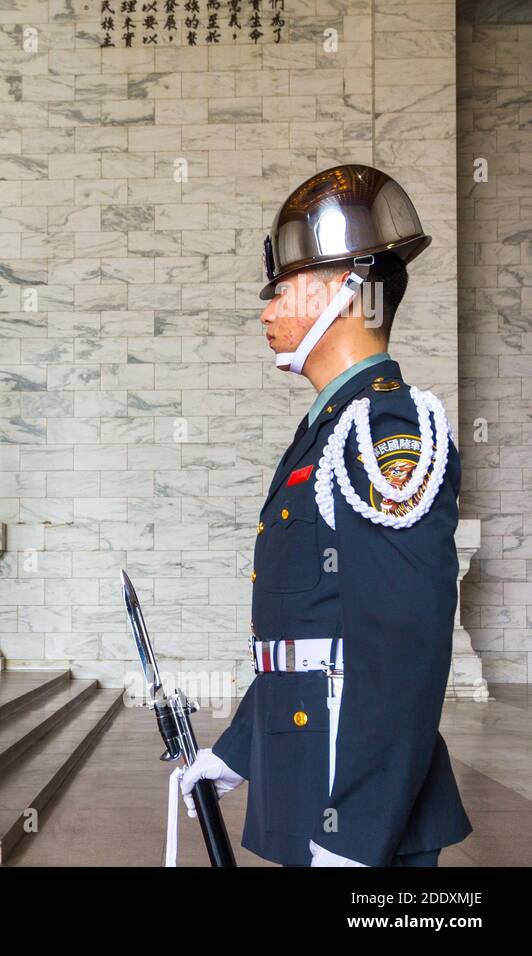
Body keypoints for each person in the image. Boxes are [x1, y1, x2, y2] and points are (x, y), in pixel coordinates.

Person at [180, 164, 472, 867]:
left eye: (279, 290)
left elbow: (404, 646)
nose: (266, 310)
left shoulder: (383, 429)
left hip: (355, 803)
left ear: (342, 291)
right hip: (310, 771)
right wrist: (232, 756)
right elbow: (312, 636)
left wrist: (357, 829)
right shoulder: (328, 428)